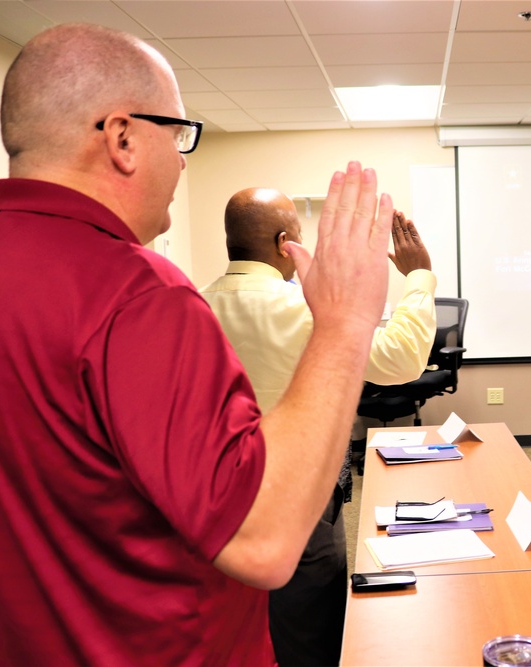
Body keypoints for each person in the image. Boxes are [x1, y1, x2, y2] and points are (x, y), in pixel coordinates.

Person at [0, 23, 394, 665]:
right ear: (123, 138)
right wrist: (345, 320)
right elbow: (265, 541)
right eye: (178, 132)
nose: (184, 158)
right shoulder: (135, 291)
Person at [199, 188, 436, 666]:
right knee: (310, 629)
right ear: (285, 241)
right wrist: (417, 278)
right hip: (300, 497)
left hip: (214, 500)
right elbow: (401, 358)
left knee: (233, 626)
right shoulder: (306, 309)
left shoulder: (190, 307)